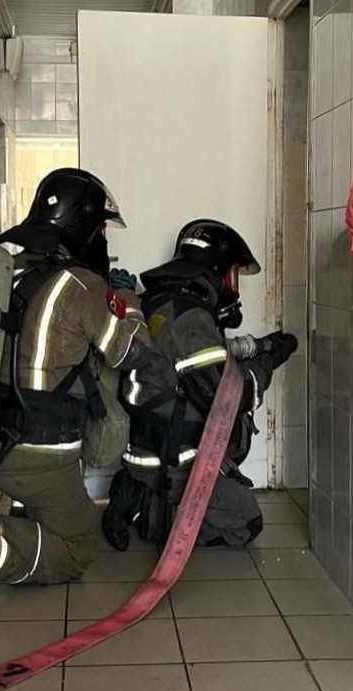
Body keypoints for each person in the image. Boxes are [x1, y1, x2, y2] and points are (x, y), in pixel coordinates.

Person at [0, 168, 155, 606]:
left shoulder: (13, 272)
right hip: (39, 448)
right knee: (77, 545)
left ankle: (24, 521)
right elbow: (130, 352)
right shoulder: (82, 284)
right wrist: (128, 304)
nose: (103, 238)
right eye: (101, 229)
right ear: (83, 226)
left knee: (50, 506)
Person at [102, 219, 297, 550]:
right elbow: (227, 399)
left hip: (146, 447)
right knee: (246, 524)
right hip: (175, 459)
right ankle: (158, 511)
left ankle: (138, 491)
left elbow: (195, 364)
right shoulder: (190, 318)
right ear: (216, 270)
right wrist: (269, 361)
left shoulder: (157, 301)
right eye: (233, 275)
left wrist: (257, 348)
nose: (233, 287)